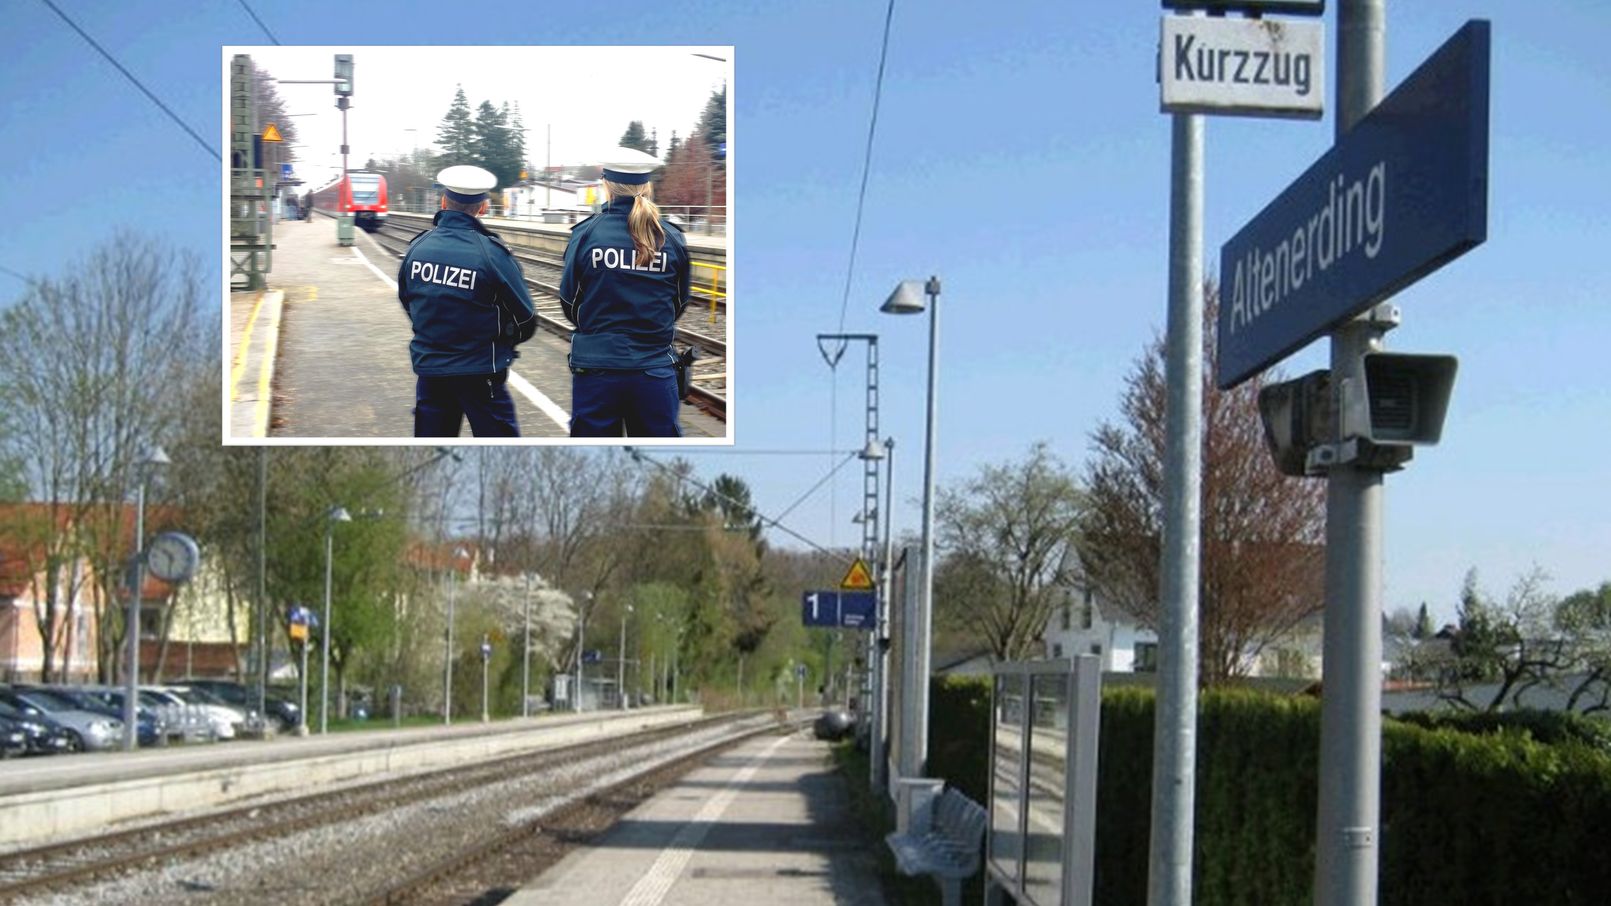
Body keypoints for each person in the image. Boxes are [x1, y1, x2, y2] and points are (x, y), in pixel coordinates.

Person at [559, 147, 691, 437]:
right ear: (647, 186)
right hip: (654, 371)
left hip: (596, 372)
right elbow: (679, 302)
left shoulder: (586, 235)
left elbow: (569, 302)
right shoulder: (671, 237)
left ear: (606, 186)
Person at [397, 165, 537, 437]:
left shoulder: (417, 248)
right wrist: (503, 341)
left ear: (443, 201)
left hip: (431, 371)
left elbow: (407, 300)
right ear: (483, 207)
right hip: (482, 372)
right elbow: (526, 318)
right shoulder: (492, 254)